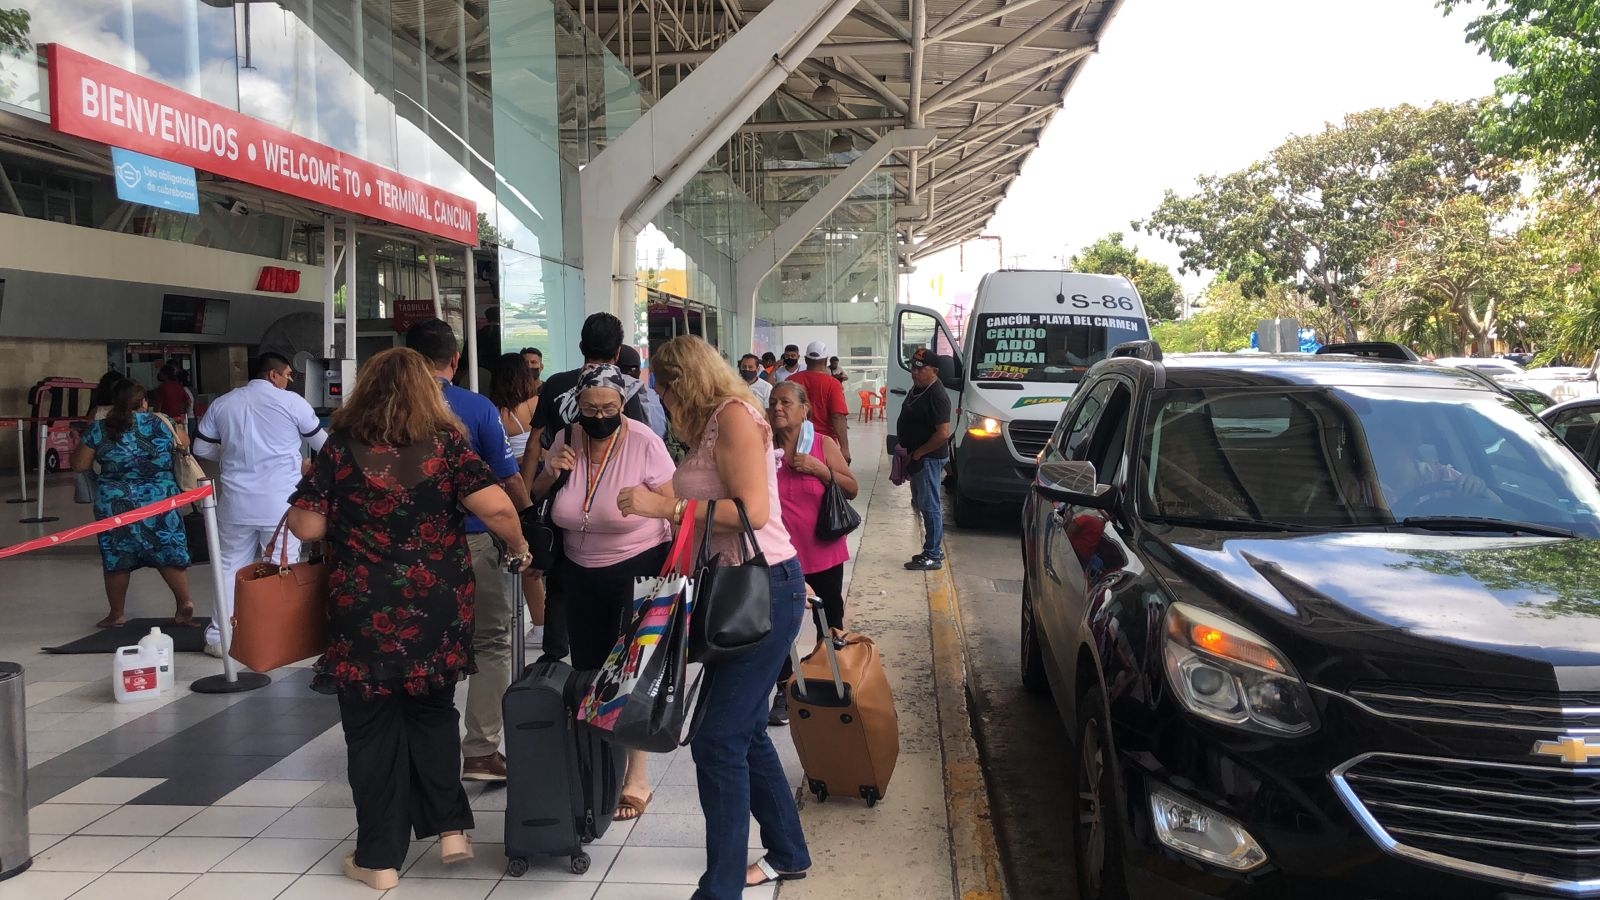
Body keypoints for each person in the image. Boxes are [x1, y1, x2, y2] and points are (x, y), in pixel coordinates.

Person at [286, 347, 530, 892]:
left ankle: (379, 859)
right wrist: (517, 546)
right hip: (434, 604)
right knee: (433, 712)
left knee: (371, 731)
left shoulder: (340, 451)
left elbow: (305, 529)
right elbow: (497, 508)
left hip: (364, 608)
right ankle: (450, 830)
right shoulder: (446, 447)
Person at [616, 334, 810, 897]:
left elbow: (752, 510)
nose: (662, 398)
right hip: (736, 588)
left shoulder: (736, 418)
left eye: (664, 386)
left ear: (684, 382)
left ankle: (720, 886)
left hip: (764, 587)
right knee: (741, 730)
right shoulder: (709, 427)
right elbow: (687, 484)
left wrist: (666, 507)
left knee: (716, 738)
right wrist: (647, 490)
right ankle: (788, 852)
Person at [529, 364, 674, 823]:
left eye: (609, 408)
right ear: (577, 406)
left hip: (638, 564)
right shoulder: (567, 437)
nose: (600, 416)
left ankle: (637, 775)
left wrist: (646, 503)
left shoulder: (644, 441)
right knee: (591, 668)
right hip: (578, 569)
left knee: (630, 669)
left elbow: (673, 499)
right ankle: (597, 761)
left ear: (622, 404)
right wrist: (551, 472)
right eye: (591, 408)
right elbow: (535, 494)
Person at [405, 318, 532, 783]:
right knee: (490, 642)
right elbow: (506, 478)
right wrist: (526, 520)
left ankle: (418, 753)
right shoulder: (476, 409)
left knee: (418, 645)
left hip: (405, 551)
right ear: (454, 362)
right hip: (476, 538)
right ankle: (480, 752)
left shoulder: (381, 410)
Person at [192, 353, 329, 657]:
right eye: (288, 375)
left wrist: (230, 457)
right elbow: (326, 447)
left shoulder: (223, 403)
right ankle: (278, 634)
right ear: (273, 375)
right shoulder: (292, 403)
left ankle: (219, 637)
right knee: (282, 568)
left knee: (229, 567)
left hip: (235, 504)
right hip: (281, 505)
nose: (289, 380)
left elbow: (200, 447)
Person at [526, 314, 645, 664]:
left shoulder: (553, 384)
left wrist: (527, 495)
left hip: (557, 499)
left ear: (581, 347)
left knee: (559, 584)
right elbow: (635, 438)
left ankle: (553, 661)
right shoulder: (621, 389)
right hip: (608, 506)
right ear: (619, 350)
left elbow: (534, 443)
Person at [764, 380, 857, 726]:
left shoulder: (822, 444)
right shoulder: (761, 448)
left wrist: (822, 471)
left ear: (805, 410)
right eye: (773, 402)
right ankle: (786, 689)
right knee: (778, 627)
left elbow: (851, 488)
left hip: (823, 553)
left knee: (829, 622)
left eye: (786, 402)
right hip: (779, 558)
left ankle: (828, 680)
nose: (778, 408)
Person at [71, 381, 195, 628]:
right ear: (144, 402)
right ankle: (184, 604)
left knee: (117, 557)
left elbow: (80, 465)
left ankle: (116, 614)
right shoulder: (162, 423)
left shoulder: (100, 428)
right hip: (160, 499)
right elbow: (184, 444)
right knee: (167, 551)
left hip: (116, 502)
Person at [489, 353, 546, 649]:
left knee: (520, 555)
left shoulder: (497, 413)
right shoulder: (536, 405)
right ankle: (544, 623)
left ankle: (538, 624)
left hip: (514, 488)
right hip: (543, 482)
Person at [898, 348, 953, 570]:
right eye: (913, 367)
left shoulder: (937, 395)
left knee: (930, 506)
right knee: (922, 503)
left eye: (921, 369)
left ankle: (933, 554)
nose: (914, 372)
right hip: (917, 456)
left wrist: (919, 452)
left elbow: (942, 433)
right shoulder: (919, 388)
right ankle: (930, 550)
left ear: (934, 371)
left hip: (928, 458)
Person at [783, 340, 852, 463]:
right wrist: (845, 448)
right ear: (826, 360)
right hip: (825, 444)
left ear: (806, 359)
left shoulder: (790, 381)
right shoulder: (832, 384)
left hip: (794, 442)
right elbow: (838, 416)